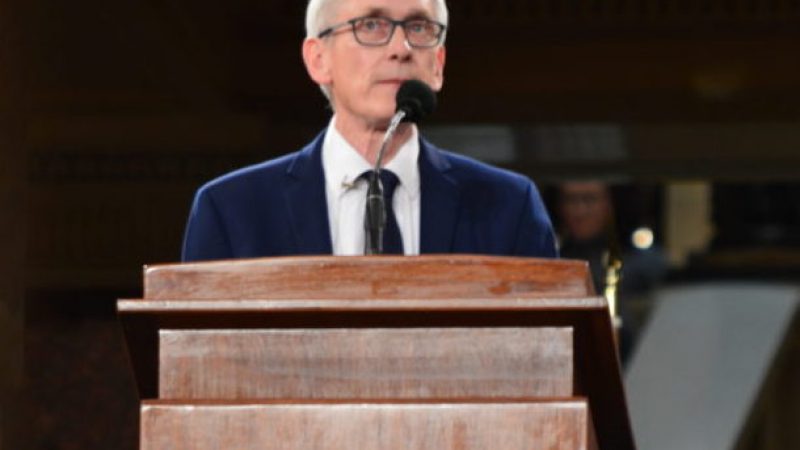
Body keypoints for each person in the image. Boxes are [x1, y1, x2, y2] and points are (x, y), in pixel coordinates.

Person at [181, 0, 557, 261]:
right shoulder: (232, 210)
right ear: (318, 59)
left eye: (418, 27)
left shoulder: (509, 206)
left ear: (438, 65)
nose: (401, 47)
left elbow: (547, 361)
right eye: (371, 25)